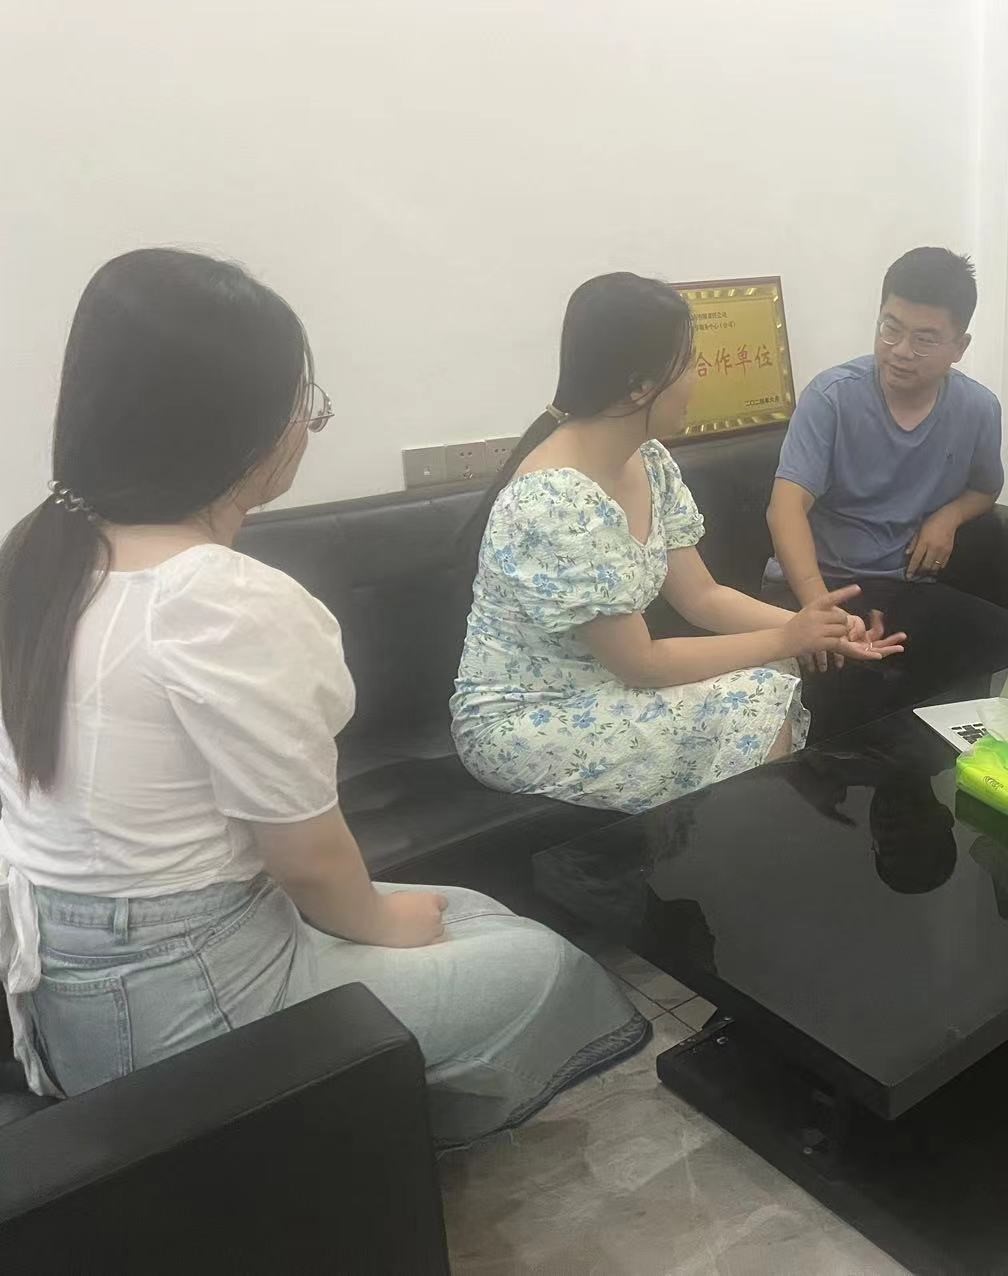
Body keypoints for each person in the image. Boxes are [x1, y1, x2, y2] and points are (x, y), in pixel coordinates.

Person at [0, 248, 645, 1145]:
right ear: (239, 425)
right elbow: (307, 861)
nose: (307, 424)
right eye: (303, 402)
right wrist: (379, 921)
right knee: (539, 960)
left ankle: (360, 1129)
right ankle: (366, 1142)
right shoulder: (219, 599)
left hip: (65, 999)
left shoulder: (38, 553)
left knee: (471, 911)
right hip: (190, 1006)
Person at [453, 272, 901, 815]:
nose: (698, 377)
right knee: (755, 696)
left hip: (601, 684)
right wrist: (789, 637)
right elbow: (640, 664)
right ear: (640, 385)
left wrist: (819, 628)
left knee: (772, 673)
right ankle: (744, 848)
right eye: (689, 363)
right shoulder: (555, 500)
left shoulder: (647, 460)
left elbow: (702, 597)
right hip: (526, 720)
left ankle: (736, 841)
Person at [765, 247, 1008, 740]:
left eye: (924, 339)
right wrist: (819, 610)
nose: (900, 350)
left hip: (902, 587)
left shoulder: (977, 408)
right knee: (852, 685)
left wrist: (949, 516)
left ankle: (962, 766)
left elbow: (986, 487)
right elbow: (785, 508)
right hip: (819, 583)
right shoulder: (832, 397)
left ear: (960, 345)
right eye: (890, 329)